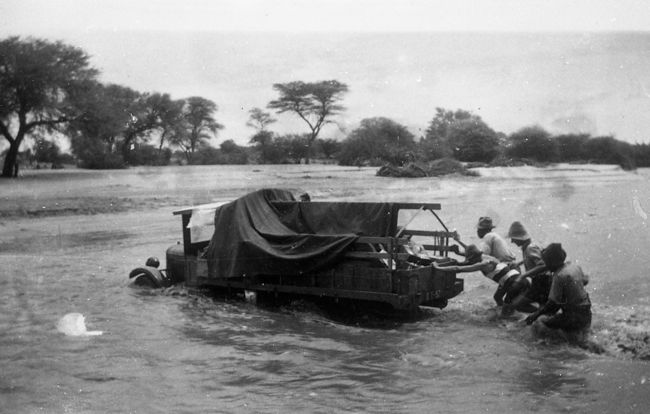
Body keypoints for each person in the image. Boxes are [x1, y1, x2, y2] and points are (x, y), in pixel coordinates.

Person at [434, 244, 533, 314]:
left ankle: (531, 313)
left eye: (470, 260)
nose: (469, 262)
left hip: (513, 283)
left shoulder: (482, 264)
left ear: (474, 258)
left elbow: (458, 269)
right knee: (497, 297)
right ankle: (505, 310)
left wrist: (438, 268)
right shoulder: (487, 256)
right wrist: (460, 252)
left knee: (508, 311)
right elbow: (470, 253)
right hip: (518, 278)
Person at [525, 243, 592, 336]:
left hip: (573, 317)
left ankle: (545, 347)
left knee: (539, 322)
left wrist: (535, 315)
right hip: (587, 314)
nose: (545, 266)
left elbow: (552, 303)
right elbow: (585, 280)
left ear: (552, 262)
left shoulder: (559, 276)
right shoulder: (574, 267)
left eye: (546, 262)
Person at [502, 221, 552, 314]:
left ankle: (541, 313)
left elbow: (543, 265)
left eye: (513, 238)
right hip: (541, 281)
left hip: (542, 281)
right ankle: (543, 313)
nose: (512, 241)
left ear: (520, 238)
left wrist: (523, 276)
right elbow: (532, 259)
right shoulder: (529, 246)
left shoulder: (530, 248)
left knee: (517, 304)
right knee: (541, 303)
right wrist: (519, 263)